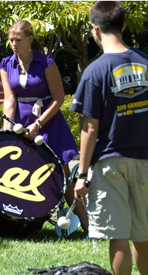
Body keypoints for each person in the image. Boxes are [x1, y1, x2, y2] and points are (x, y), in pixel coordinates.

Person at [71, 2, 148, 274]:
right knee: (144, 234)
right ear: (124, 25)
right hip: (145, 161)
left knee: (119, 236)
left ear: (95, 30)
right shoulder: (146, 63)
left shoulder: (95, 71)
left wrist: (81, 174)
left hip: (110, 163)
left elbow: (90, 128)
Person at [0, 19, 89, 236]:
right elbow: (9, 99)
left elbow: (59, 98)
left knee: (63, 176)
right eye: (11, 40)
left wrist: (38, 124)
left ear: (30, 39)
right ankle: (23, 226)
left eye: (18, 40)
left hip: (49, 123)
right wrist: (5, 131)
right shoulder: (6, 64)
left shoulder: (46, 62)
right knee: (21, 174)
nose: (13, 44)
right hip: (20, 123)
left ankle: (89, 229)